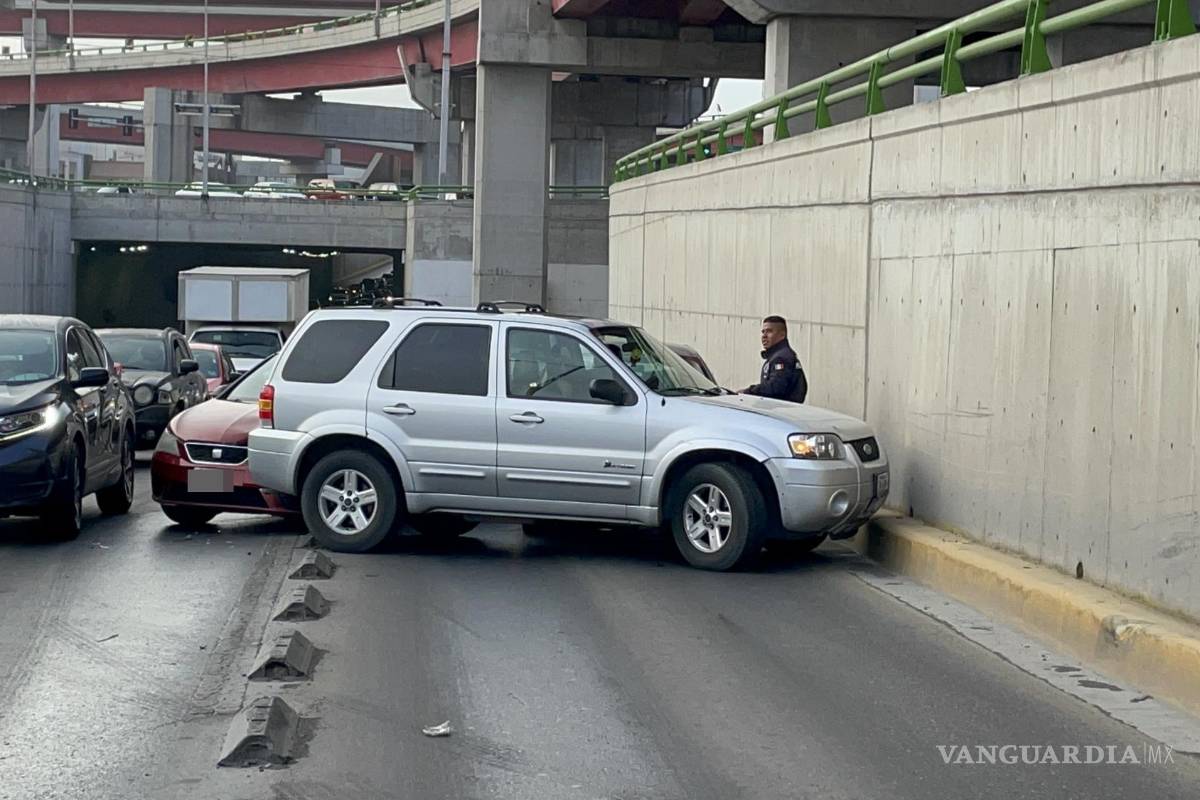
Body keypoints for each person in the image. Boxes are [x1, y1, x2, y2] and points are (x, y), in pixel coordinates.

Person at [742, 315, 807, 403]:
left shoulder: (781, 358)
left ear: (782, 335)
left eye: (769, 331)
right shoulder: (782, 355)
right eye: (763, 332)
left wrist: (748, 391)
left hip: (780, 411)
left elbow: (775, 387)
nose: (764, 336)